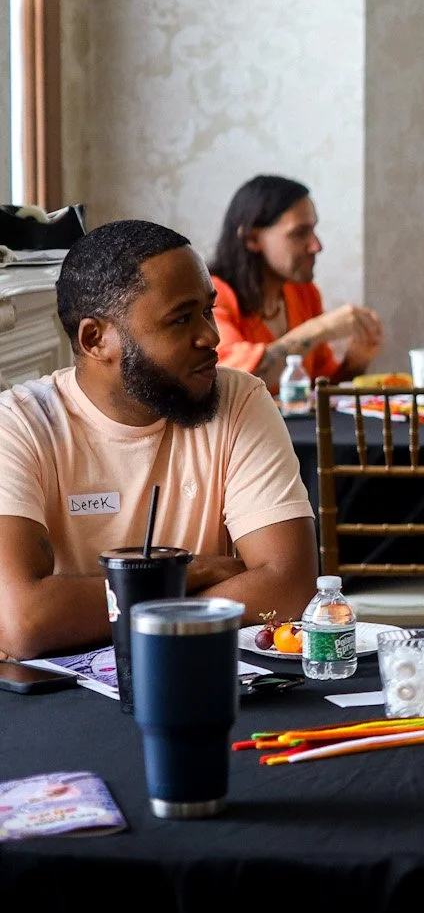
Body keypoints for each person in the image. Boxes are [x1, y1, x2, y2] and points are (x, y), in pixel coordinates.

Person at [0, 220, 318, 660]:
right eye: (181, 319)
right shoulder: (18, 426)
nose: (212, 336)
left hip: (199, 679)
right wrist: (185, 572)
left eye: (208, 310)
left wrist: (118, 608)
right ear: (96, 339)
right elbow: (23, 622)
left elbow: (289, 588)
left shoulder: (240, 399)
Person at [209, 175, 385, 386]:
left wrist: (355, 361)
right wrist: (321, 329)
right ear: (252, 239)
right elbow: (232, 380)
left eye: (313, 229)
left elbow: (318, 387)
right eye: (300, 233)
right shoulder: (212, 297)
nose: (316, 245)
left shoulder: (304, 292)